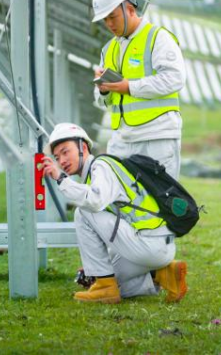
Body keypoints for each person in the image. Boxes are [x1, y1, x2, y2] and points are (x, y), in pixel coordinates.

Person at [41, 123, 187, 304]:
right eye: (57, 157)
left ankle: (105, 286)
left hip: (148, 243)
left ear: (83, 147)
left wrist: (61, 179)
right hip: (153, 246)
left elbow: (94, 201)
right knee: (102, 281)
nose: (61, 161)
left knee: (83, 212)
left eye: (65, 152)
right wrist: (97, 267)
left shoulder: (102, 166)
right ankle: (162, 274)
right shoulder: (96, 172)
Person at [90, 0, 186, 178]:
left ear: (130, 9)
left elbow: (175, 78)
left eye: (113, 17)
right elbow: (101, 100)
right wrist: (103, 90)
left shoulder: (158, 38)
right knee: (119, 201)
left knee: (161, 203)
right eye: (105, 19)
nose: (109, 24)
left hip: (157, 137)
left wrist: (129, 87)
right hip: (122, 139)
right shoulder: (108, 50)